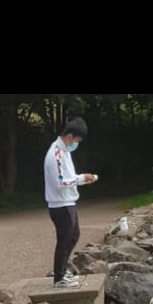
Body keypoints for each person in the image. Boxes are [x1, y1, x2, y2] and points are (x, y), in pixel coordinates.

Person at [44, 117, 97, 288]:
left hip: (68, 202)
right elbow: (60, 182)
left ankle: (62, 270)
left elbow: (68, 177)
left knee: (73, 236)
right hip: (60, 205)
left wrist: (82, 180)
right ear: (70, 136)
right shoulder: (55, 154)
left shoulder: (65, 152)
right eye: (77, 140)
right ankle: (59, 277)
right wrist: (81, 178)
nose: (77, 144)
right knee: (64, 239)